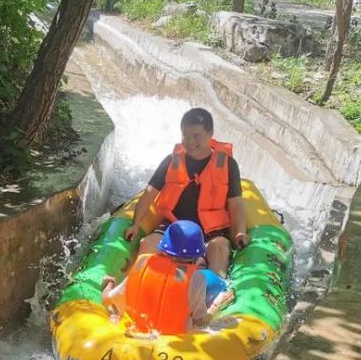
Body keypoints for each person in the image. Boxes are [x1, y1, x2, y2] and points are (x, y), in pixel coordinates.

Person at [123, 108, 250, 277]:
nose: (190, 141)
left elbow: (236, 203)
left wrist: (240, 231)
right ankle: (141, 283)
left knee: (220, 248)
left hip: (210, 230)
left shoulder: (228, 164)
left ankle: (213, 294)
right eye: (185, 135)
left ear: (210, 133)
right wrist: (136, 223)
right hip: (174, 225)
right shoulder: (171, 161)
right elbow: (150, 193)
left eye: (196, 136)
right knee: (148, 243)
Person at [102, 221, 234, 334]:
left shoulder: (142, 264)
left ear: (162, 248)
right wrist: (216, 306)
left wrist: (109, 285)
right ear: (196, 257)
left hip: (136, 334)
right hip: (172, 342)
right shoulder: (197, 279)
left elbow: (109, 301)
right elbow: (199, 322)